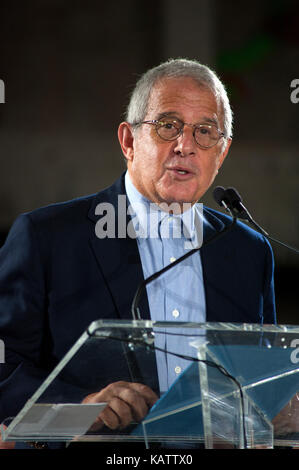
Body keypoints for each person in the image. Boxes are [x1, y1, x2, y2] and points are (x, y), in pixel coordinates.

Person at [0, 58, 276, 446]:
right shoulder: (47, 238)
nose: (185, 146)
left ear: (222, 152)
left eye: (205, 132)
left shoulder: (248, 251)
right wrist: (80, 409)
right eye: (168, 126)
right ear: (129, 141)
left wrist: (276, 406)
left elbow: (260, 380)